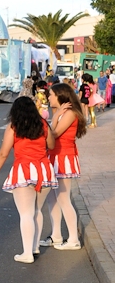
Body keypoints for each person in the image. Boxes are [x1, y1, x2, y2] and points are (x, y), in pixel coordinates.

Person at [0, 96, 57, 264]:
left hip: (23, 170)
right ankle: (35, 247)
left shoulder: (14, 127)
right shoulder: (43, 124)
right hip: (43, 170)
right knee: (37, 211)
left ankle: (27, 253)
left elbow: (3, 153)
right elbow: (51, 145)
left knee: (25, 213)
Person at [39, 83, 87, 251]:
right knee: (52, 199)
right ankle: (56, 235)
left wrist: (56, 115)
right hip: (55, 157)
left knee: (63, 199)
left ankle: (73, 239)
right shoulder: (61, 112)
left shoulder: (70, 113)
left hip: (64, 158)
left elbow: (53, 134)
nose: (48, 97)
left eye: (51, 94)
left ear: (60, 96)